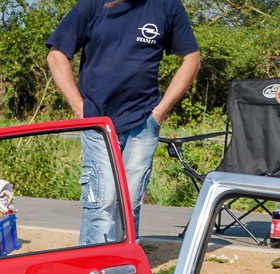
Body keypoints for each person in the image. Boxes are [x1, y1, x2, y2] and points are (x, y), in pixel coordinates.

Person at [47, 0, 200, 245]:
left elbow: (192, 58)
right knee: (103, 200)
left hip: (143, 122)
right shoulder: (93, 4)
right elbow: (56, 54)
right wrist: (80, 108)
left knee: (130, 202)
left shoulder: (167, 5)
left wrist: (160, 111)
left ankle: (122, 267)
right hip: (98, 121)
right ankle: (96, 267)